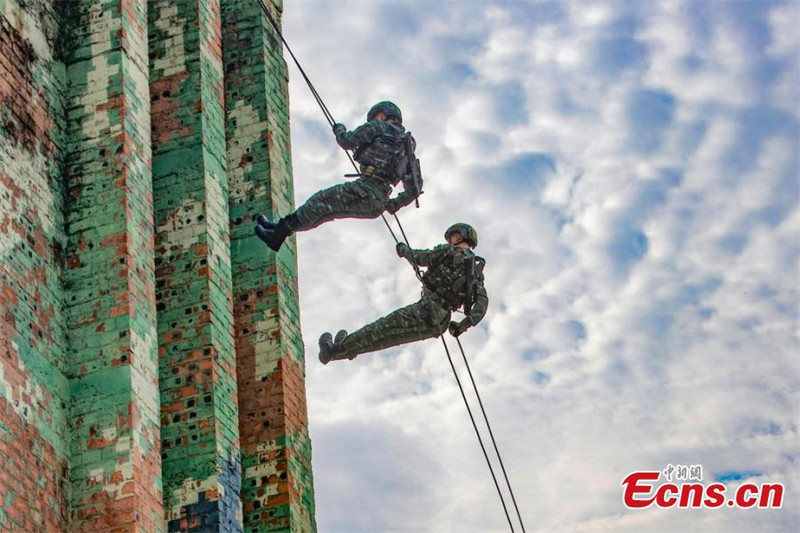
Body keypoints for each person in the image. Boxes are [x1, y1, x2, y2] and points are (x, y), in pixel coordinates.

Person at [255, 101, 422, 251]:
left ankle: (278, 233)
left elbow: (347, 141)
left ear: (381, 115)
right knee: (323, 211)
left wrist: (339, 129)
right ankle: (278, 231)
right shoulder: (408, 150)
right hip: (378, 201)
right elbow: (415, 189)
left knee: (320, 201)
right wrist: (393, 205)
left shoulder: (379, 127)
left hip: (365, 189)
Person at [318, 223, 488, 364]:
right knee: (387, 339)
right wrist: (461, 326)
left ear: (459, 237)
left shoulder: (450, 252)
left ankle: (335, 349)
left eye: (452, 237)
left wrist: (404, 250)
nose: (450, 241)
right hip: (440, 322)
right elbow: (481, 304)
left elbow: (420, 258)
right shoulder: (475, 272)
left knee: (382, 328)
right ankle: (337, 351)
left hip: (426, 310)